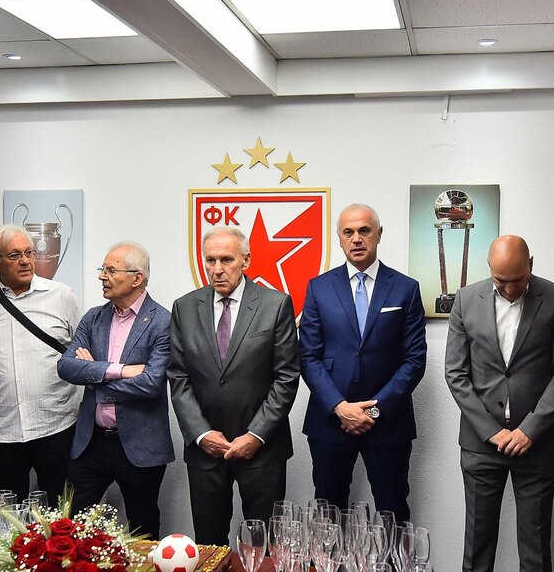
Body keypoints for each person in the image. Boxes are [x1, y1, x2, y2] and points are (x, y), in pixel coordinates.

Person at [445, 235, 554, 572]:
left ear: (531, 265)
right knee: (478, 537)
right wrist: (492, 431)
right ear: (489, 269)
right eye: (499, 280)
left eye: (517, 280)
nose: (508, 288)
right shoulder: (466, 300)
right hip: (481, 443)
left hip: (536, 444)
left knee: (535, 540)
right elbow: (456, 373)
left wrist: (529, 430)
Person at [168, 227, 299, 546]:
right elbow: (178, 377)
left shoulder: (275, 304)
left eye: (226, 259)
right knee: (209, 546)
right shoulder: (185, 307)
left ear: (246, 260)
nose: (217, 269)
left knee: (264, 547)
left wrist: (255, 435)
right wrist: (201, 434)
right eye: (210, 260)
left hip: (262, 449)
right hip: (205, 451)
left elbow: (286, 377)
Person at [299, 204, 426, 521]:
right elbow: (308, 357)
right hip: (331, 421)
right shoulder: (318, 288)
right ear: (339, 238)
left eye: (364, 231)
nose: (356, 238)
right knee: (328, 515)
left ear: (379, 234)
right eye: (348, 232)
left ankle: (394, 561)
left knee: (393, 513)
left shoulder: (406, 288)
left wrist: (373, 410)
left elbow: (414, 360)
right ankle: (333, 561)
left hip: (388, 423)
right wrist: (340, 407)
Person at [57, 242, 172, 539]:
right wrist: (118, 369)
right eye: (102, 269)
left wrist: (93, 374)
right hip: (91, 442)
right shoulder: (93, 317)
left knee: (143, 533)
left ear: (137, 278)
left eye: (111, 270)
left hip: (140, 445)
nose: (102, 276)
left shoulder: (163, 321)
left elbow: (151, 383)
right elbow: (66, 367)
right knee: (70, 530)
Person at [0, 225, 81, 505]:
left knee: (61, 516)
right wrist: (8, 388)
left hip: (56, 426)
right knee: (5, 517)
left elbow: (83, 355)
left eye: (29, 253)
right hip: (1, 431)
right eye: (14, 255)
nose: (26, 261)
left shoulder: (62, 296)